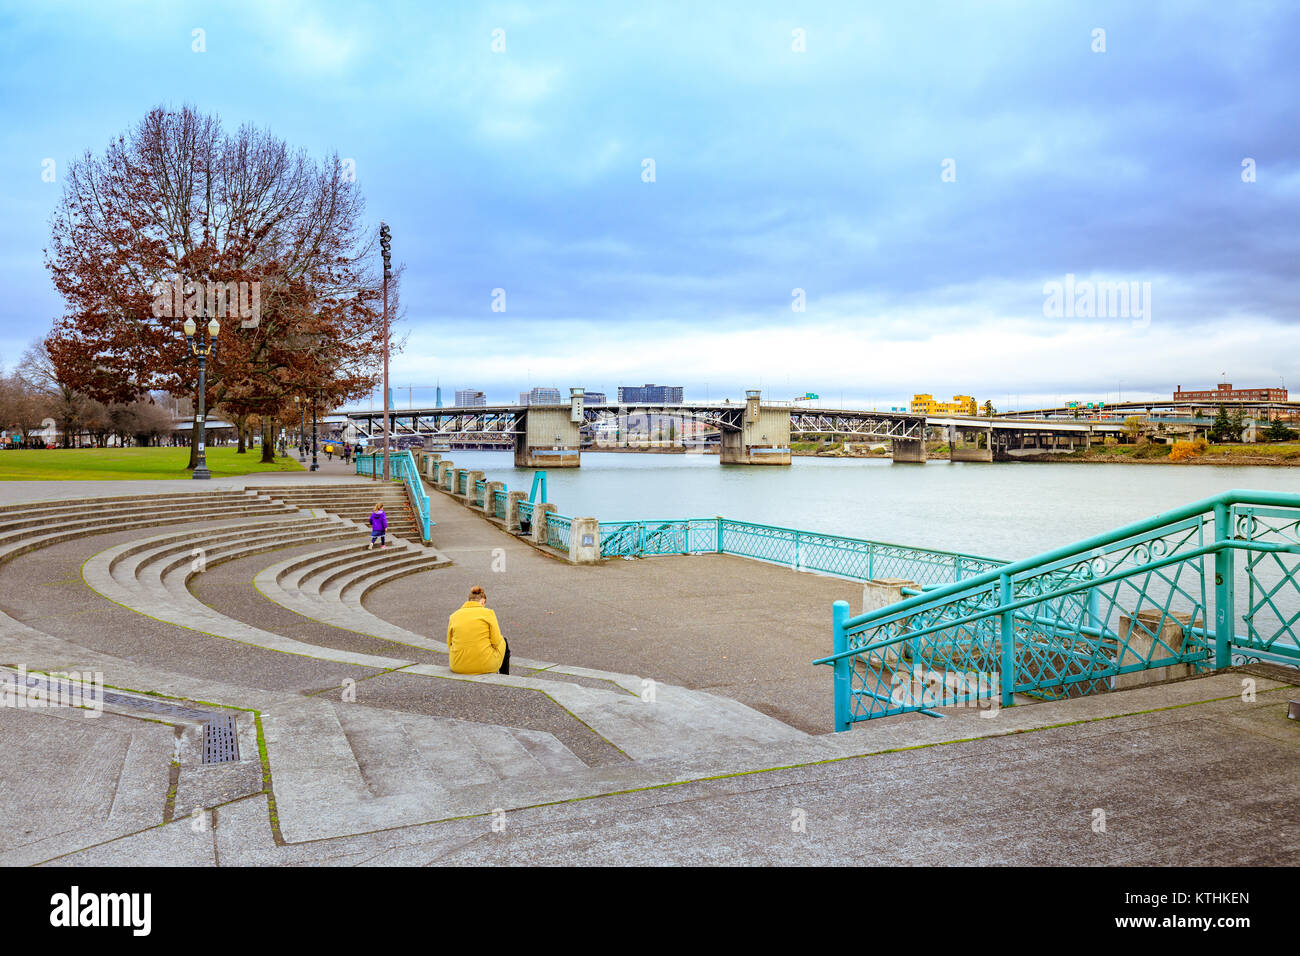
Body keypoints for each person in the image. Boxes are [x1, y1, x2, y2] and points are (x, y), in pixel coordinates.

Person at [447, 586, 509, 675]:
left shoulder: (454, 616)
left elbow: (449, 643)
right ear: (483, 601)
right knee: (504, 641)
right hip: (484, 666)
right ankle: (505, 678)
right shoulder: (488, 613)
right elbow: (496, 642)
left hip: (457, 666)